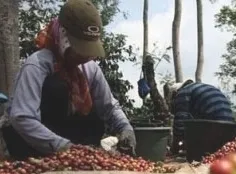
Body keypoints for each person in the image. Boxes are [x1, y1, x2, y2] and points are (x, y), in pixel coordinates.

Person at [1, 0, 136, 160]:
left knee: (95, 111)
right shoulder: (37, 65)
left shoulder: (90, 69)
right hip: (30, 145)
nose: (85, 56)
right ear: (64, 38)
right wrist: (63, 147)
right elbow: (22, 117)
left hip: (71, 144)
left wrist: (126, 129)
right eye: (80, 49)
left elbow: (109, 107)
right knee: (57, 87)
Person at [164, 80, 235, 154]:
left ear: (175, 93)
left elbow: (180, 122)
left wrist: (175, 148)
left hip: (213, 126)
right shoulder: (202, 88)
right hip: (230, 129)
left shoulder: (182, 93)